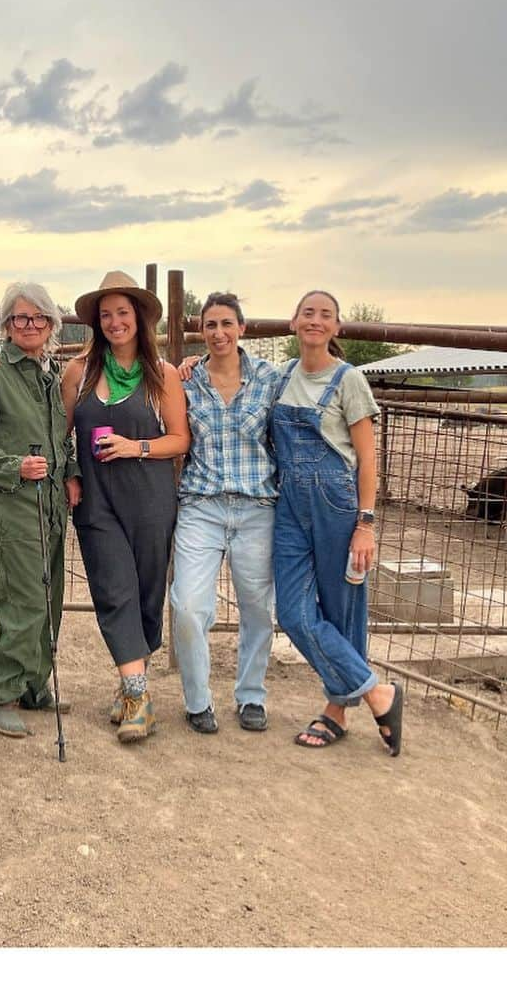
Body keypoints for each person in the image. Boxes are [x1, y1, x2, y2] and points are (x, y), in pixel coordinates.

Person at [272, 289, 403, 755]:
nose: (315, 320)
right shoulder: (281, 376)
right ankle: (376, 691)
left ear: (337, 328)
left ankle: (336, 711)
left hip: (337, 506)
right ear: (293, 322)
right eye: (307, 312)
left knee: (342, 610)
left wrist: (365, 524)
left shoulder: (349, 381)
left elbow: (367, 460)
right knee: (292, 613)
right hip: (289, 505)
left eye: (325, 315)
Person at [61, 270, 189, 744]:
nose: (115, 322)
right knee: (114, 589)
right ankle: (140, 697)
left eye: (123, 312)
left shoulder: (163, 376)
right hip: (97, 499)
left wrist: (135, 446)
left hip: (150, 496)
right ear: (97, 322)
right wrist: (72, 473)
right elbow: (63, 433)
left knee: (147, 593)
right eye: (107, 314)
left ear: (139, 317)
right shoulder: (80, 371)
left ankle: (130, 680)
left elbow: (180, 439)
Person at [0, 282, 81, 739]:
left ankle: (35, 684)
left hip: (49, 504)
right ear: (6, 325)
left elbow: (59, 437)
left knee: (50, 597)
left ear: (51, 324)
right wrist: (14, 466)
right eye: (19, 318)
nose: (29, 326)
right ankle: (4, 691)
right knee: (23, 601)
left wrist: (70, 473)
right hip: (12, 506)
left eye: (38, 318)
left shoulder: (51, 372)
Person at [169, 293, 282, 735]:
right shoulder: (187, 381)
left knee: (257, 607)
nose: (218, 333)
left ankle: (251, 693)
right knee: (189, 605)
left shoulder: (270, 380)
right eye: (210, 325)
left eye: (226, 324)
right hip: (202, 505)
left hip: (256, 507)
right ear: (202, 331)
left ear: (242, 328)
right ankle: (197, 700)